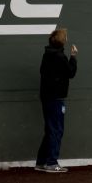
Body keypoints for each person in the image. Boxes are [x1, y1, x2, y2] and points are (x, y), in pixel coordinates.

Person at [36, 28, 78, 173]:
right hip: (56, 98)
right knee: (56, 130)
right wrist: (73, 56)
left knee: (50, 130)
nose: (67, 39)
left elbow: (43, 72)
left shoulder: (46, 55)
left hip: (46, 97)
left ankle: (41, 162)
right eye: (65, 37)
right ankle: (52, 163)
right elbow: (71, 72)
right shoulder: (60, 57)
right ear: (62, 41)